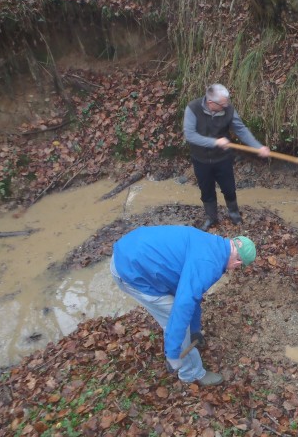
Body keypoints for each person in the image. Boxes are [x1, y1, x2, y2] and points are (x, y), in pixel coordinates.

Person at [110, 225, 257, 386]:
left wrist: (195, 330)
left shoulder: (213, 244)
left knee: (184, 317)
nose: (235, 269)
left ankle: (184, 343)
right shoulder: (209, 264)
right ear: (238, 261)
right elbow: (183, 305)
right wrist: (173, 353)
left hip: (130, 248)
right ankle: (190, 373)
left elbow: (192, 293)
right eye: (239, 267)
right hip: (132, 271)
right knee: (176, 318)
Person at [183, 83, 271, 231]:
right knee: (207, 190)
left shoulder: (228, 109)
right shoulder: (193, 108)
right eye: (223, 104)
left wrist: (258, 146)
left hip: (222, 159)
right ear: (211, 103)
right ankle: (211, 218)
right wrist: (214, 142)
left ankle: (234, 214)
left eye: (227, 102)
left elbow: (241, 130)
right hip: (201, 160)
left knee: (229, 189)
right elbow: (190, 135)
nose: (227, 106)